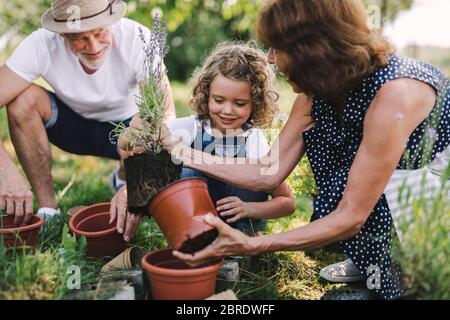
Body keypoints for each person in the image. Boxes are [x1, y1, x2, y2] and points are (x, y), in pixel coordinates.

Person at [124, 0, 449, 300]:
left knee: (416, 285)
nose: (269, 59)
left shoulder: (395, 94)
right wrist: (181, 151)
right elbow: (269, 171)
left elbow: (351, 216)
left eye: (277, 49)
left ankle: (400, 268)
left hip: (430, 192)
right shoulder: (316, 91)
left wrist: (252, 243)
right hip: (382, 177)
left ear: (313, 50)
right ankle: (370, 262)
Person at [0, 0, 176, 232]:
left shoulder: (136, 37)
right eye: (79, 38)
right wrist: (4, 170)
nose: (93, 46)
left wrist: (136, 183)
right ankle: (49, 211)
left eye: (100, 33)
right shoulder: (41, 43)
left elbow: (166, 117)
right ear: (61, 34)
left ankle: (123, 177)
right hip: (72, 128)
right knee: (22, 101)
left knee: (148, 125)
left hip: (127, 132)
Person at [112, 43, 296, 240]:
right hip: (191, 222)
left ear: (255, 103)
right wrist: (129, 140)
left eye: (240, 103)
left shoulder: (254, 140)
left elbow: (287, 202)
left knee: (252, 173)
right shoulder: (187, 129)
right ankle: (188, 234)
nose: (227, 110)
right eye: (218, 100)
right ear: (206, 95)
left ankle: (243, 239)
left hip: (238, 228)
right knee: (179, 168)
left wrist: (250, 208)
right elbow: (136, 154)